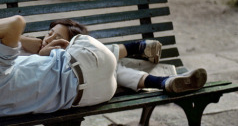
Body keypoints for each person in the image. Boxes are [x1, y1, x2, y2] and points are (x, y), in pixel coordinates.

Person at [0, 15, 207, 118]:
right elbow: (16, 23)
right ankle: (138, 47)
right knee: (101, 56)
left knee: (111, 67)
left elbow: (31, 58)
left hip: (92, 95)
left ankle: (163, 82)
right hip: (91, 69)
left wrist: (46, 53)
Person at [20, 18, 206, 93]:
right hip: (67, 90)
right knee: (109, 66)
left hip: (83, 82)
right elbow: (22, 41)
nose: (49, 37)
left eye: (57, 37)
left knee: (114, 70)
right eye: (50, 32)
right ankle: (138, 49)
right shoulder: (31, 49)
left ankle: (164, 82)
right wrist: (42, 47)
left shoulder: (65, 53)